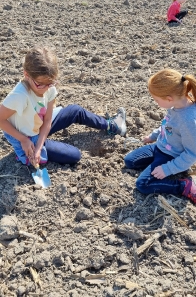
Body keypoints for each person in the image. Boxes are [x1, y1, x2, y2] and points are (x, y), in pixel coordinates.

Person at [0, 47, 126, 167]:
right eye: (40, 84)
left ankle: (111, 125)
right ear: (27, 75)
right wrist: (24, 140)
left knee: (75, 111)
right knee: (74, 155)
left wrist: (40, 146)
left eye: (50, 83)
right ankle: (26, 151)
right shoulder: (20, 95)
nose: (45, 89)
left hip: (39, 124)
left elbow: (48, 120)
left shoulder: (48, 87)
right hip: (28, 136)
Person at [124, 68, 196, 204]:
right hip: (160, 146)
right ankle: (154, 167)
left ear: (169, 99)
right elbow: (167, 124)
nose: (156, 103)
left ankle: (183, 186)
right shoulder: (175, 106)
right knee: (129, 161)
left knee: (143, 184)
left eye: (156, 100)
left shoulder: (188, 121)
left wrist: (167, 168)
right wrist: (153, 135)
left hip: (171, 156)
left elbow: (192, 154)